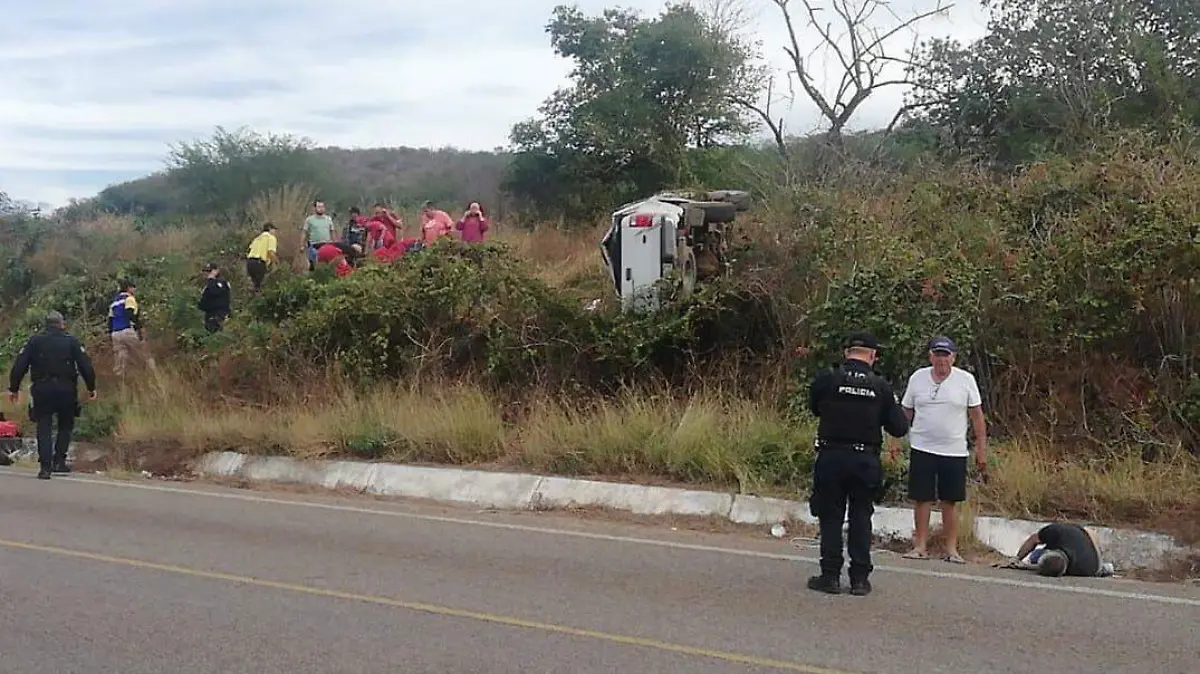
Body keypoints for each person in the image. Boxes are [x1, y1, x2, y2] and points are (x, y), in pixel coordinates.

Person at [807, 332, 910, 596]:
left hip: (831, 455)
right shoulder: (881, 386)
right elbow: (899, 428)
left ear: (846, 353)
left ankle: (830, 577)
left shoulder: (828, 379)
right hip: (865, 459)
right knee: (861, 516)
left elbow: (814, 408)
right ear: (873, 356)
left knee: (830, 516)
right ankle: (860, 579)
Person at [898, 336, 988, 564]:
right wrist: (894, 441)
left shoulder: (965, 380)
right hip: (922, 446)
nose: (941, 360)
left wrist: (981, 449)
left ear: (953, 357)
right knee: (922, 498)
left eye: (945, 355)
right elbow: (906, 412)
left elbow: (977, 416)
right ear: (930, 356)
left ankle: (951, 549)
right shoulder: (918, 378)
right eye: (937, 354)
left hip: (954, 450)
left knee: (950, 500)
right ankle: (920, 546)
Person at [7, 311, 97, 479]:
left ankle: (45, 467)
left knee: (44, 426)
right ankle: (59, 462)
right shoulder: (71, 341)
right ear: (62, 324)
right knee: (65, 426)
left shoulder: (34, 342)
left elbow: (20, 365)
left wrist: (14, 388)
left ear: (45, 325)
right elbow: (85, 365)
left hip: (42, 388)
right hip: (66, 389)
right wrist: (91, 387)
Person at [1009, 522, 1114, 577]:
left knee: (1036, 555)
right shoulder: (1089, 569)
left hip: (1091, 563)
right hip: (1093, 562)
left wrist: (1016, 560)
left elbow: (1033, 539)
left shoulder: (1054, 530)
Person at [108, 280, 153, 378]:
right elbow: (130, 314)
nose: (135, 290)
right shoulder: (129, 299)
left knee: (121, 359)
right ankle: (150, 375)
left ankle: (121, 380)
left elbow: (110, 321)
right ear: (129, 288)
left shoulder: (114, 303)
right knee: (142, 353)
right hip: (127, 330)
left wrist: (111, 334)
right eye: (134, 287)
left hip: (115, 333)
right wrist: (139, 328)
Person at [197, 262, 232, 333]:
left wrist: (211, 280)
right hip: (210, 314)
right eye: (206, 271)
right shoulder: (209, 284)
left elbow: (215, 292)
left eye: (209, 271)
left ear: (216, 271)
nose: (207, 274)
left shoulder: (220, 283)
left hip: (219, 315)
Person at [246, 223, 279, 294]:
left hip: (250, 263)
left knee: (255, 285)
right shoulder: (271, 238)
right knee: (260, 287)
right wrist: (277, 263)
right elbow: (271, 253)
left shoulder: (257, 238)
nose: (275, 232)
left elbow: (249, 250)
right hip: (259, 263)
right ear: (270, 229)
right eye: (274, 230)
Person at [303, 200, 336, 271]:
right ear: (314, 208)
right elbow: (304, 232)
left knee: (328, 265)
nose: (321, 208)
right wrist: (302, 245)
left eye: (322, 207)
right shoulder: (309, 219)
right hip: (314, 245)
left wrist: (335, 243)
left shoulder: (328, 219)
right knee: (315, 266)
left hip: (326, 245)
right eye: (319, 207)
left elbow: (332, 232)